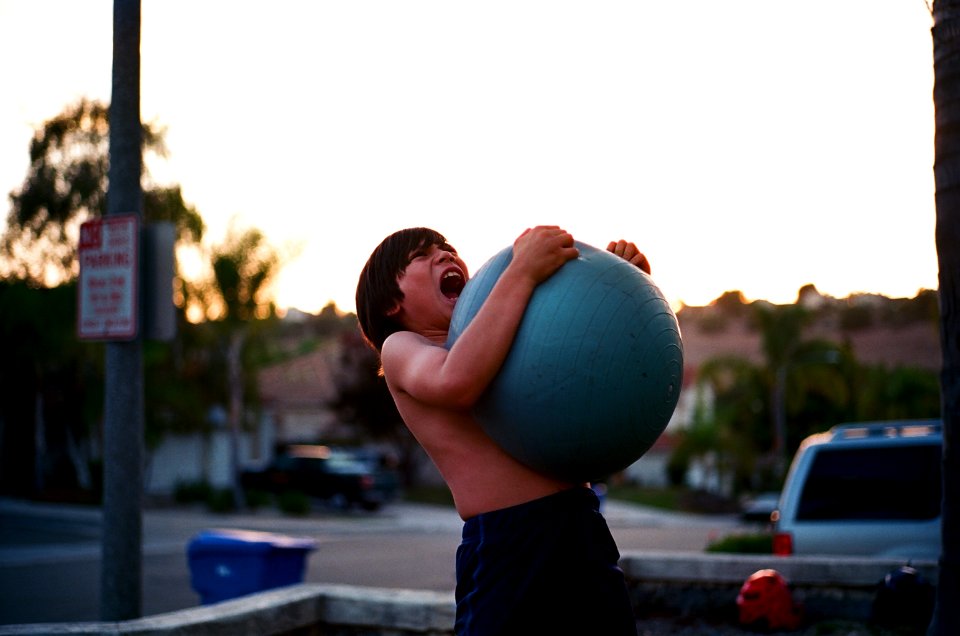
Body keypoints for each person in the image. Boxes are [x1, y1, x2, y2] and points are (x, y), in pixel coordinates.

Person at [355, 226, 649, 635]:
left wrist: (619, 290)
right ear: (391, 302)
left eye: (448, 249)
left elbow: (587, 361)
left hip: (579, 526)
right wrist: (522, 272)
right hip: (509, 543)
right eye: (422, 256)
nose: (443, 255)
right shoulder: (403, 347)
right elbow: (455, 381)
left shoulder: (503, 334)